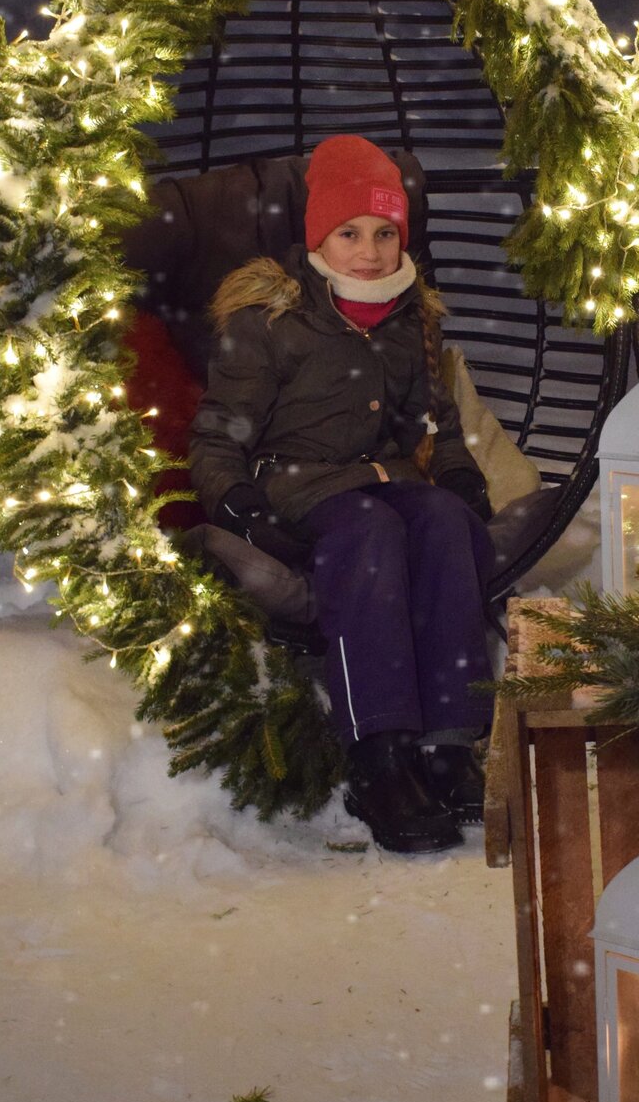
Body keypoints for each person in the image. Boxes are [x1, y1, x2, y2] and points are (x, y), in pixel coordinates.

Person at [188, 134, 496, 855]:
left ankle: (450, 743)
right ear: (318, 238)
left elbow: (433, 422)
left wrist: (456, 473)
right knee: (370, 529)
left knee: (446, 521)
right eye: (350, 233)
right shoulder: (270, 323)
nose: (370, 252)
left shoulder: (408, 320)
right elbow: (216, 435)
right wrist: (232, 497)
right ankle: (379, 752)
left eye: (386, 234)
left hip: (385, 479)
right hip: (295, 490)